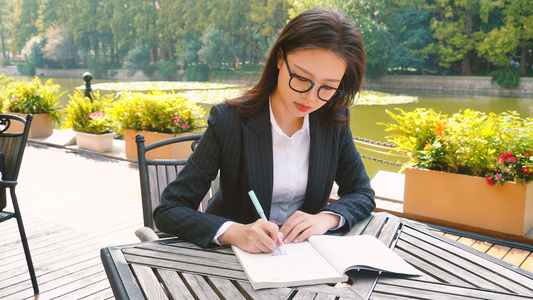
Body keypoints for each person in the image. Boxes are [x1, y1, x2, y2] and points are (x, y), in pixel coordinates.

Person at [154, 8, 375, 253]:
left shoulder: (333, 121)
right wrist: (235, 232)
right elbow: (170, 209)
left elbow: (361, 193)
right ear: (280, 58)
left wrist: (325, 218)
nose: (311, 98)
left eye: (328, 87)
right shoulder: (229, 121)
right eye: (301, 78)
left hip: (304, 258)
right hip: (231, 261)